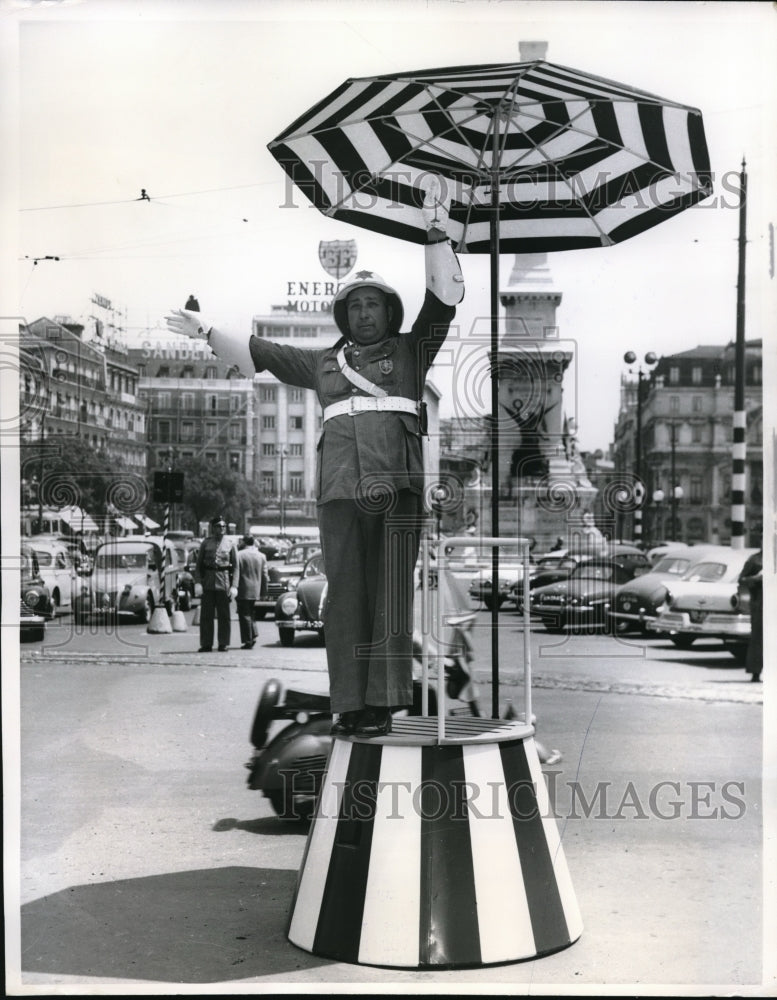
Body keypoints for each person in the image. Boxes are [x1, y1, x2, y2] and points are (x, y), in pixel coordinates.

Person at [167, 176, 464, 736]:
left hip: (396, 488)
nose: (365, 314)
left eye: (374, 304)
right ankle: (350, 702)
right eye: (356, 307)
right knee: (346, 597)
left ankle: (383, 702)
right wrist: (207, 329)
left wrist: (436, 231)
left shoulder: (410, 350)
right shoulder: (325, 365)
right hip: (337, 491)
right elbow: (266, 354)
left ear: (390, 311)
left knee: (389, 598)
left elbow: (444, 300)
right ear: (343, 315)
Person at [196, 515, 239, 652]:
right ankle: (206, 643)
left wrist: (234, 586)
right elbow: (198, 565)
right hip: (208, 582)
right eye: (218, 526)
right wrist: (198, 582)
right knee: (206, 615)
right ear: (213, 528)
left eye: (223, 526)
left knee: (224, 615)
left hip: (224, 581)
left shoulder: (230, 543)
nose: (221, 529)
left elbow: (236, 567)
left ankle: (223, 643)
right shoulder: (206, 543)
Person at [236, 534, 269, 649]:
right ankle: (253, 634)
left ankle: (248, 640)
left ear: (244, 542)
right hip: (256, 589)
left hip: (243, 588)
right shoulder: (261, 556)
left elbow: (236, 573)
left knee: (244, 614)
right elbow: (265, 576)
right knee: (251, 613)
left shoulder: (239, 555)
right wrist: (264, 592)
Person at [738, 549, 762, 682]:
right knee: (758, 638)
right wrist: (756, 578)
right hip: (760, 604)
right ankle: (755, 672)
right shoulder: (755, 560)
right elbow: (742, 579)